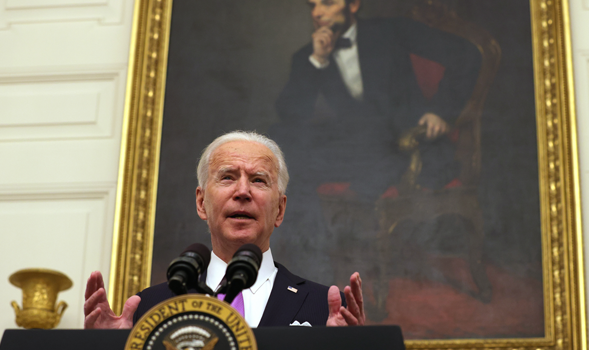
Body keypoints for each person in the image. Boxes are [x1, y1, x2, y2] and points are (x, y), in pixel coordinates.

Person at [83, 131, 365, 329]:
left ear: (279, 209)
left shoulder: (326, 308)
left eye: (258, 180)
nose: (242, 191)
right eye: (227, 177)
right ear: (201, 202)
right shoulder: (150, 307)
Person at [273, 0, 481, 198]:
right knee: (280, 139)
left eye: (327, 3)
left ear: (353, 4)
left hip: (405, 142)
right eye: (313, 5)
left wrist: (439, 111)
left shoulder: (392, 30)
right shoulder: (308, 56)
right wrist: (317, 61)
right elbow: (290, 114)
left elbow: (466, 54)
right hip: (355, 149)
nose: (316, 13)